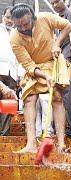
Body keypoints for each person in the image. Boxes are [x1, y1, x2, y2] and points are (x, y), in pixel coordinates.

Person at [10, 3, 71, 153]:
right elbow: (28, 65)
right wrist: (45, 76)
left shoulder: (44, 18)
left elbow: (68, 25)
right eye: (19, 26)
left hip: (52, 62)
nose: (24, 28)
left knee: (57, 97)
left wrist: (57, 44)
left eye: (26, 23)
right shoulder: (14, 38)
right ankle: (31, 143)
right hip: (35, 70)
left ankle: (61, 143)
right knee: (29, 98)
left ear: (33, 17)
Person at [0, 6, 23, 135]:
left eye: (12, 18)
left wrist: (19, 75)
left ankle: (4, 134)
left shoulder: (18, 34)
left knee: (8, 105)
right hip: (0, 70)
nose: (9, 20)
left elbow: (19, 56)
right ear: (3, 17)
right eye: (7, 17)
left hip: (12, 73)